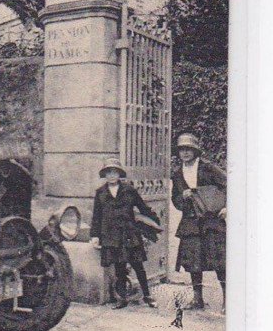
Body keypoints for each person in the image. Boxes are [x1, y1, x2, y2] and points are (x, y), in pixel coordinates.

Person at [90, 159, 159, 309]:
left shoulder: (129, 190)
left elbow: (143, 207)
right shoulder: (100, 193)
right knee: (119, 268)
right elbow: (96, 216)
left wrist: (155, 220)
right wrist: (95, 236)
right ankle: (122, 299)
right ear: (105, 175)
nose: (112, 175)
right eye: (109, 172)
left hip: (129, 234)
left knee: (138, 265)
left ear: (119, 174)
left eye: (115, 172)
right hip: (111, 235)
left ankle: (147, 296)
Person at [171, 133, 227, 310]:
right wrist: (183, 196)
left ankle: (228, 300)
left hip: (212, 221)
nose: (185, 153)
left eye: (188, 149)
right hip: (190, 222)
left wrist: (227, 207)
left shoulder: (208, 168)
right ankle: (198, 299)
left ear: (195, 151)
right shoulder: (178, 173)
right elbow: (175, 200)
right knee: (194, 262)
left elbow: (229, 185)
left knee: (219, 261)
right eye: (182, 150)